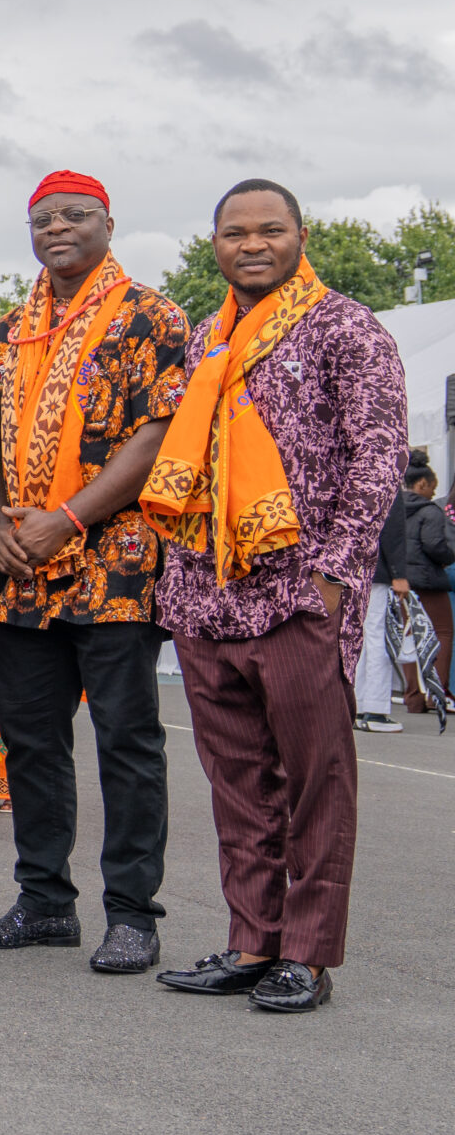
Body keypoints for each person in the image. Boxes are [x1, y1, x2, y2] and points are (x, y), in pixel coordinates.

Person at [145, 179, 405, 1014]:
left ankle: (307, 955)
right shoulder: (207, 336)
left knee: (314, 782)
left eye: (269, 230)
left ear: (300, 235)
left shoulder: (345, 327)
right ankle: (252, 941)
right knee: (238, 784)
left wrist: (333, 576)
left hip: (297, 595)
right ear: (215, 244)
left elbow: (378, 456)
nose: (251, 245)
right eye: (235, 233)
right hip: (205, 596)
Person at [0, 169, 185, 972]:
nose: (56, 227)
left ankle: (133, 915)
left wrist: (70, 519)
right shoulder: (9, 328)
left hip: (116, 563)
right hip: (21, 567)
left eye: (74, 214)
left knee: (126, 743)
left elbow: (158, 432)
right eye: (43, 218)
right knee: (30, 744)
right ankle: (46, 903)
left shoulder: (151, 315)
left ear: (108, 224)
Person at [351, 482, 412, 733]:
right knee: (379, 637)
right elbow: (393, 531)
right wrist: (399, 573)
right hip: (379, 571)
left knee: (361, 638)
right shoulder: (388, 479)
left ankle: (358, 705)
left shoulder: (356, 478)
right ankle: (375, 709)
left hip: (352, 569)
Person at [404, 460, 454, 703]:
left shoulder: (394, 508)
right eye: (433, 487)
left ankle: (413, 696)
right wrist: (448, 558)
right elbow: (434, 545)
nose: (434, 492)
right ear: (422, 484)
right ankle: (437, 694)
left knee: (410, 636)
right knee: (443, 632)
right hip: (429, 580)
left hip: (402, 582)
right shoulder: (430, 510)